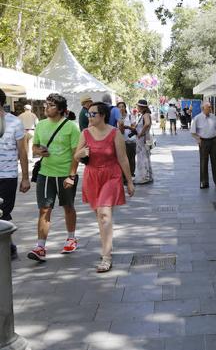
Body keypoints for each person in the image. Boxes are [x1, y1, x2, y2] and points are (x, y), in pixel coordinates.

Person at [74, 102, 134, 272]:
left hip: (111, 176)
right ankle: (107, 247)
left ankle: (106, 257)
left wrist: (129, 181)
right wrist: (81, 153)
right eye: (88, 114)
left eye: (93, 114)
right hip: (92, 177)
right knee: (100, 216)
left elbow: (123, 158)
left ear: (103, 116)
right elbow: (76, 156)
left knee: (104, 215)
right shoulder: (85, 133)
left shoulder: (115, 133)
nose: (89, 117)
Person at [28, 94, 81, 262]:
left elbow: (76, 154)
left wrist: (71, 176)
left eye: (50, 105)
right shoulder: (41, 125)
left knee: (68, 207)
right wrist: (38, 151)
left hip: (65, 174)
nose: (46, 108)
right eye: (46, 105)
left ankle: (71, 238)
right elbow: (34, 146)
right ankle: (40, 247)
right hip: (45, 173)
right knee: (44, 209)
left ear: (60, 109)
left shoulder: (71, 127)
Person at [0, 89, 31, 260]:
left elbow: (22, 151)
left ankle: (8, 247)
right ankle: (8, 245)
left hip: (7, 176)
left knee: (3, 212)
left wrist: (25, 178)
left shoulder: (14, 122)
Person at [190, 102, 216, 189]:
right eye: (208, 107)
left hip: (213, 141)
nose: (210, 108)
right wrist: (199, 139)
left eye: (210, 107)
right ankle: (204, 182)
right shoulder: (197, 118)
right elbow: (193, 132)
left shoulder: (213, 117)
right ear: (203, 109)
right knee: (203, 162)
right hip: (203, 141)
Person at [134, 99, 153, 184]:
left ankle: (144, 177)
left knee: (143, 157)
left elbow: (147, 124)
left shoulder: (145, 115)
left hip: (143, 138)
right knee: (144, 156)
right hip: (144, 138)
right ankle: (146, 176)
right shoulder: (144, 114)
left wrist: (141, 133)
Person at [117, 102, 137, 177]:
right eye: (119, 107)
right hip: (121, 141)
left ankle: (131, 174)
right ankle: (125, 176)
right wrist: (121, 127)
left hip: (130, 140)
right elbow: (120, 131)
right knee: (123, 160)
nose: (121, 108)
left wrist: (128, 127)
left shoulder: (130, 117)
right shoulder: (117, 118)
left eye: (122, 106)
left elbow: (134, 128)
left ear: (125, 108)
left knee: (131, 159)